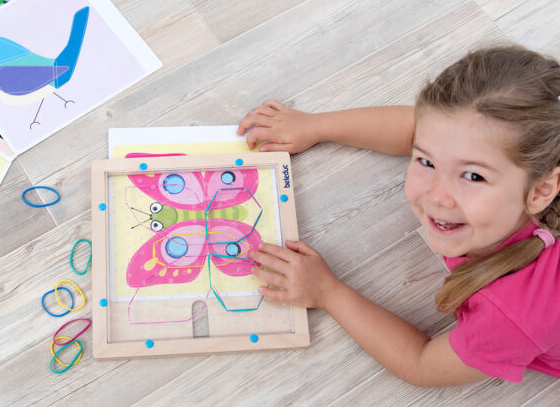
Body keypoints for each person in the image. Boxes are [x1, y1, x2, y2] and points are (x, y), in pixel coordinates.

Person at [237, 45, 560, 387]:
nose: (436, 196)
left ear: (542, 190)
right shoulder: (529, 150)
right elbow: (420, 129)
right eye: (427, 162)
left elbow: (421, 365)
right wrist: (316, 126)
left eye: (474, 177)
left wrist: (327, 291)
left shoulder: (514, 316)